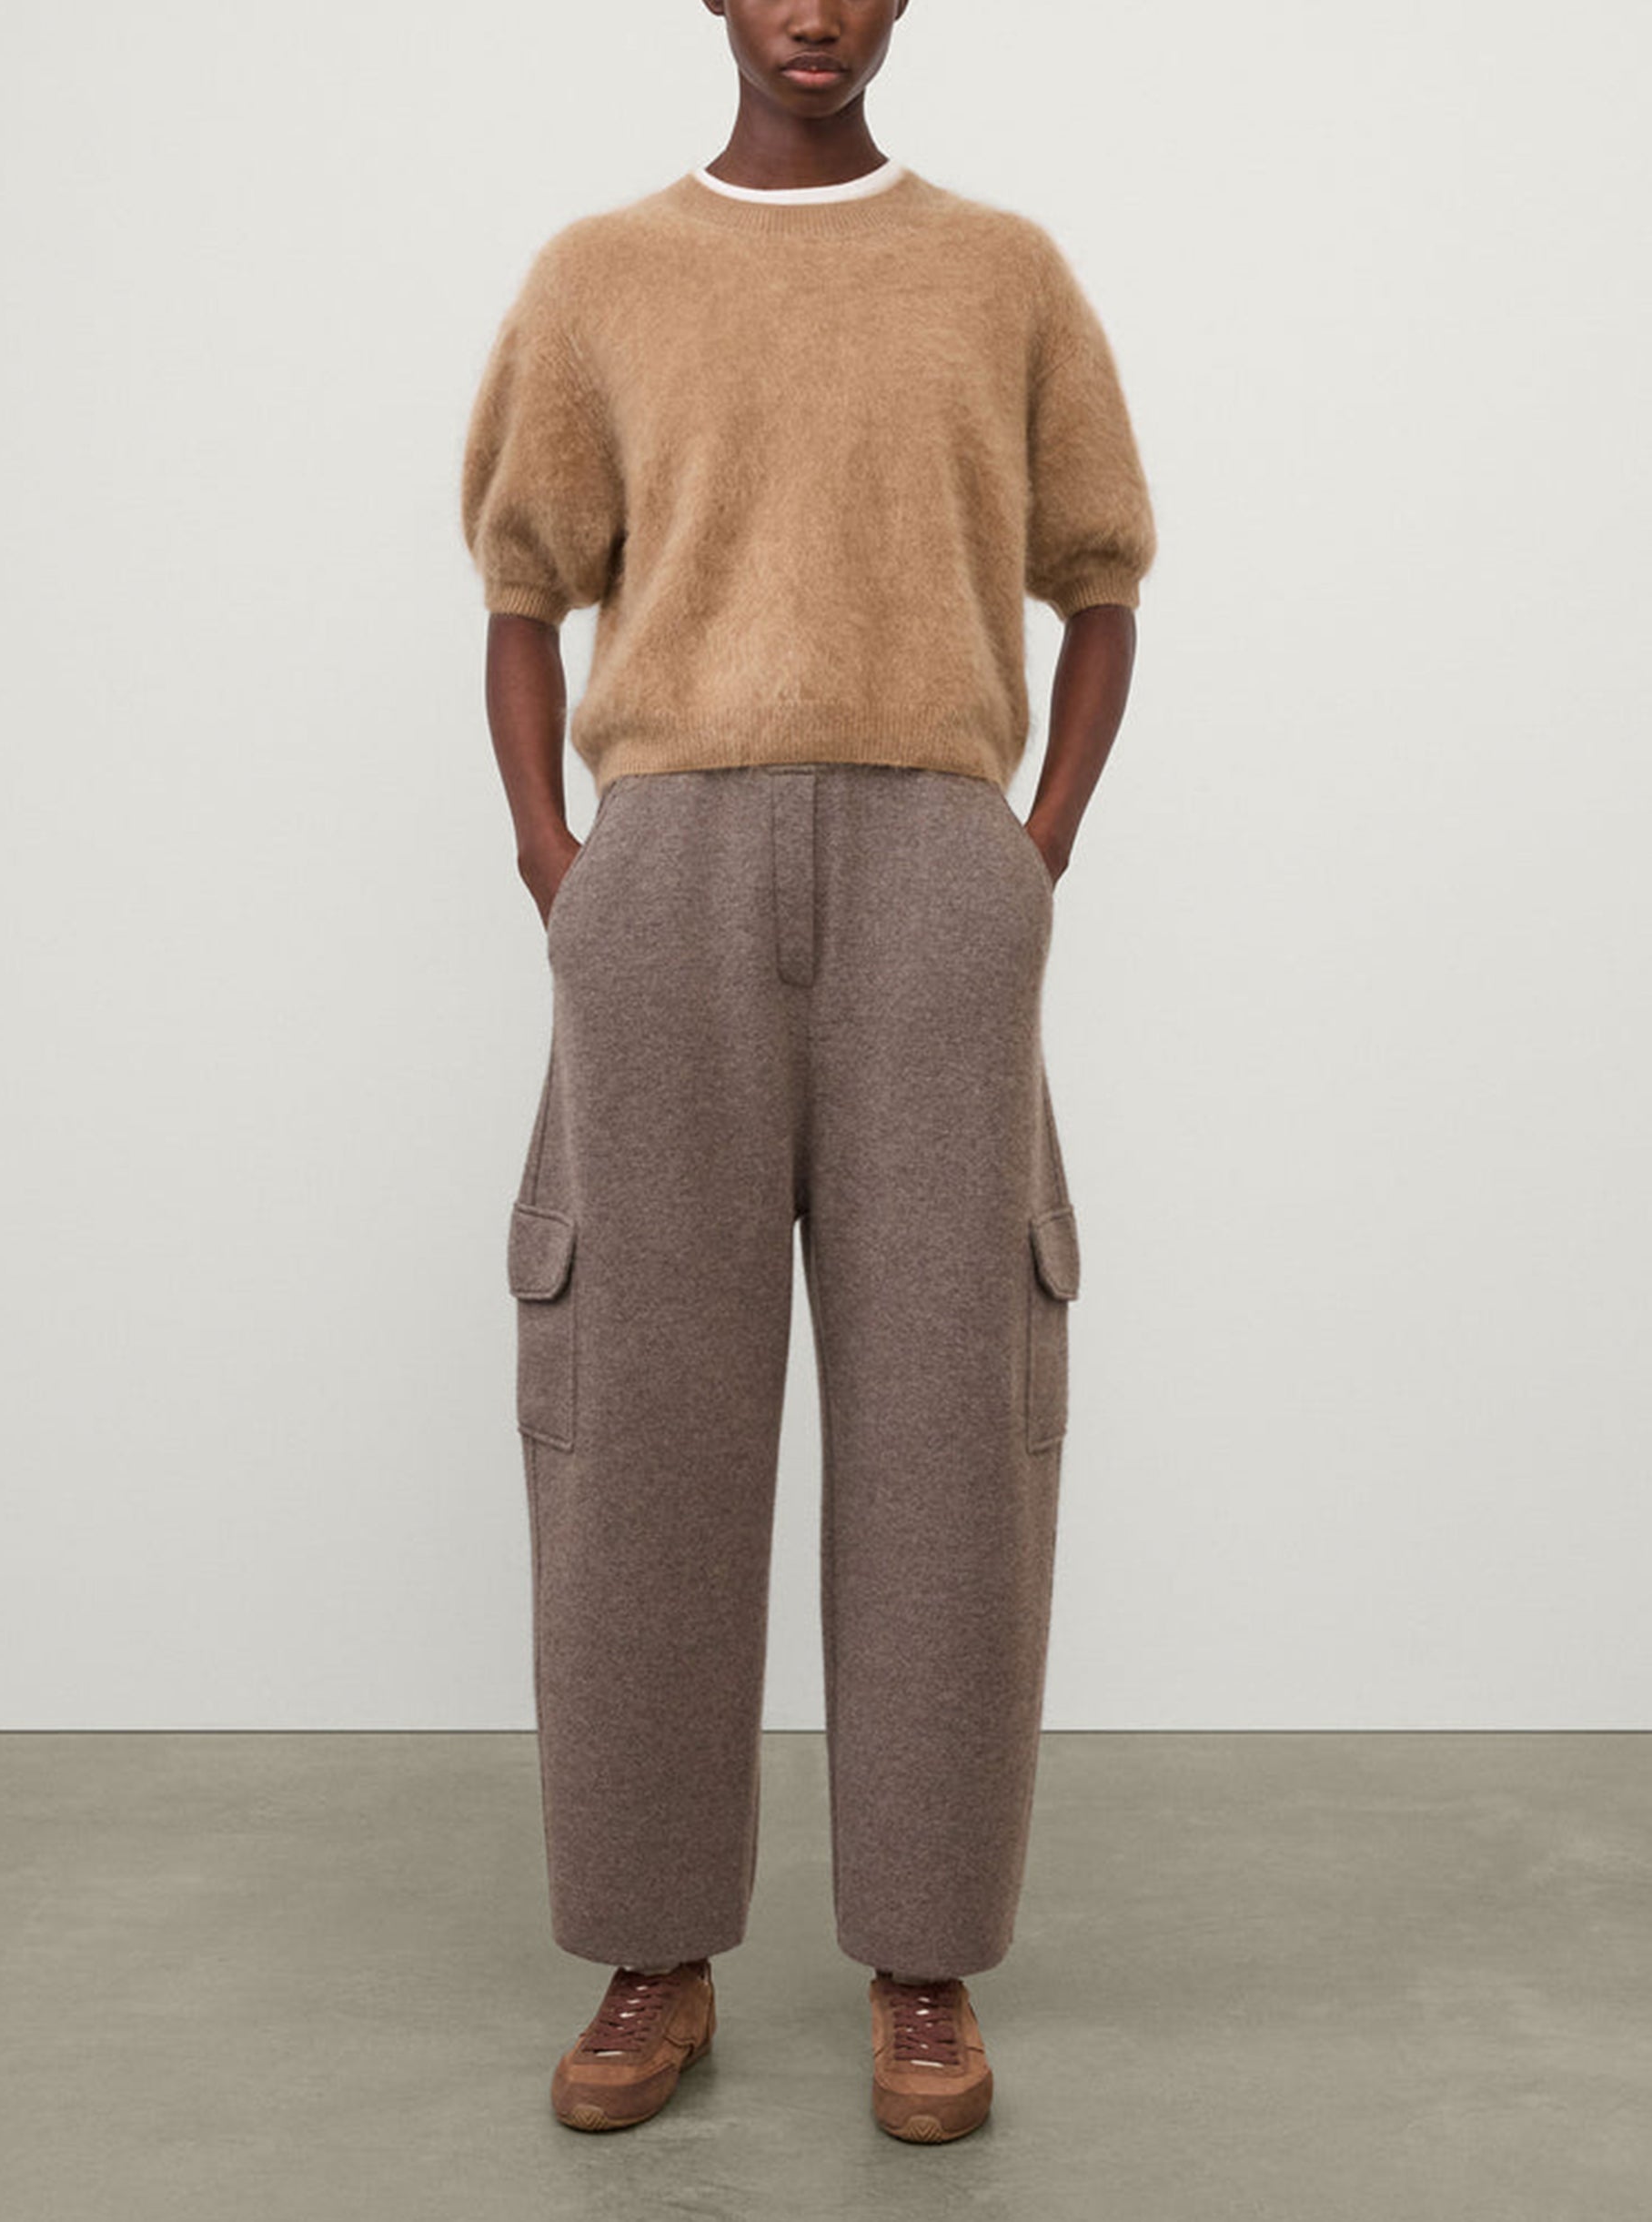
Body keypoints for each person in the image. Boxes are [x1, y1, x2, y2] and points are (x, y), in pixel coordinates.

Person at [458, 0, 1155, 2145]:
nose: (814, 13)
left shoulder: (1000, 273)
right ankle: (648, 1952)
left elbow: (1102, 582)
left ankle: (922, 1964)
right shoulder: (601, 274)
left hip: (936, 876)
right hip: (663, 866)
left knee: (949, 1419)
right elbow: (520, 593)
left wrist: (1027, 853)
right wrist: (558, 862)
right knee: (640, 1420)